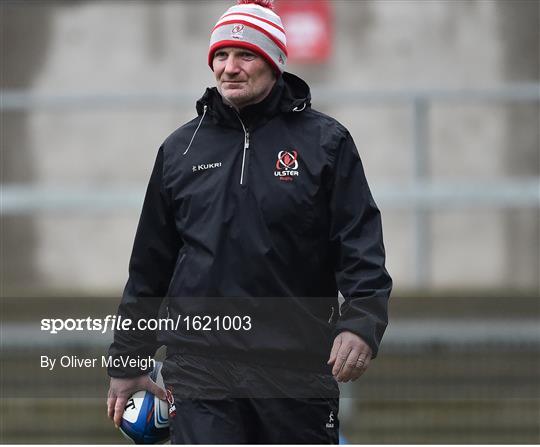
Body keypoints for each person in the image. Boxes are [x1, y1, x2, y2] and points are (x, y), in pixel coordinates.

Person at [106, 0, 392, 443]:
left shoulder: (327, 144)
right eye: (221, 55)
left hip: (296, 369)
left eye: (245, 55)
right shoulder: (180, 150)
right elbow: (149, 268)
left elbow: (360, 249)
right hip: (200, 369)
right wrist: (128, 361)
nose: (230, 68)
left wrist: (361, 323)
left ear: (275, 61)